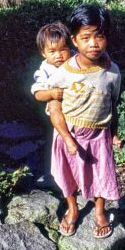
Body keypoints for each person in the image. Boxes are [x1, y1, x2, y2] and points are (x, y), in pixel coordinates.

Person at [32, 4, 122, 239]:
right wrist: (65, 133)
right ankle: (73, 208)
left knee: (101, 173)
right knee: (67, 173)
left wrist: (113, 132)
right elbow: (48, 98)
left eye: (99, 36)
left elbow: (114, 104)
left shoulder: (113, 72)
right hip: (70, 132)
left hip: (99, 133)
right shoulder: (64, 72)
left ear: (107, 38)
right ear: (74, 40)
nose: (93, 43)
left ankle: (100, 211)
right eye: (86, 37)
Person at [31, 22, 78, 155]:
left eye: (63, 49)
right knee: (53, 107)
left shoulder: (75, 59)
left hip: (77, 95)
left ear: (69, 48)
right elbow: (37, 94)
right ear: (43, 53)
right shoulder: (44, 71)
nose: (58, 55)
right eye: (52, 51)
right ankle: (67, 138)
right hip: (58, 99)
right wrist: (51, 93)